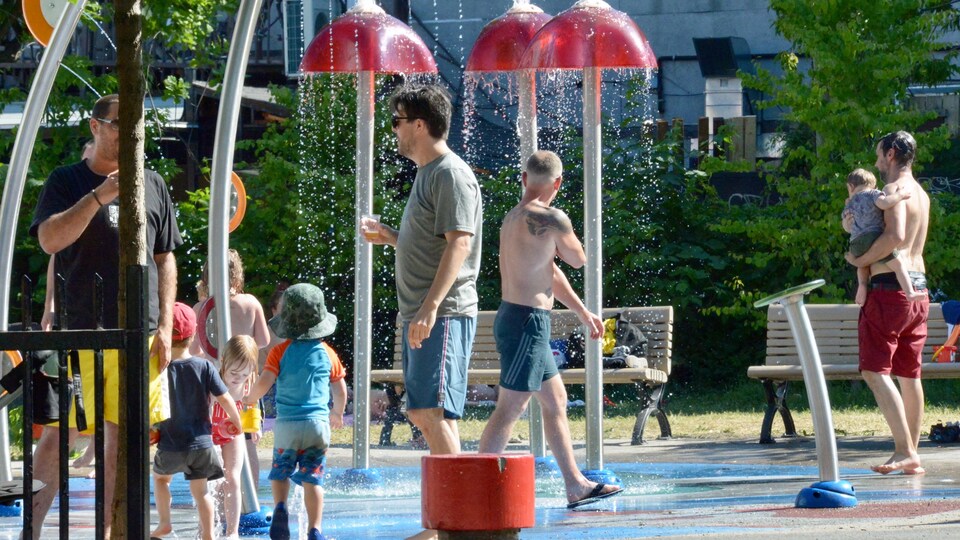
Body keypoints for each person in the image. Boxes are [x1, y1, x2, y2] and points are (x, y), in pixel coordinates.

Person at [26, 94, 182, 538]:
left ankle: (113, 534)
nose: (132, 133)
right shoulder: (66, 179)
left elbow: (165, 257)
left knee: (123, 436)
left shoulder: (153, 182)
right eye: (120, 124)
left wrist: (167, 325)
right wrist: (99, 196)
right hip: (82, 330)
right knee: (60, 434)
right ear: (95, 127)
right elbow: (50, 242)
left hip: (142, 330)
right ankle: (30, 531)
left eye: (138, 125)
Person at [476, 150, 623, 508]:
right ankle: (475, 489)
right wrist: (564, 236)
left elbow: (550, 273)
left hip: (522, 319)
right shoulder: (552, 218)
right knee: (511, 407)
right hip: (526, 322)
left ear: (525, 179)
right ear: (557, 183)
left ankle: (575, 485)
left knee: (555, 401)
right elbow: (577, 259)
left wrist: (583, 311)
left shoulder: (511, 219)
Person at [361, 83, 483, 455]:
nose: (393, 129)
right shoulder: (428, 172)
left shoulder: (449, 174)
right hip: (424, 313)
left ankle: (460, 506)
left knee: (427, 411)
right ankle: (457, 503)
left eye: (396, 121)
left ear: (418, 125)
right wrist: (392, 236)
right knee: (430, 414)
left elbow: (460, 244)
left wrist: (430, 308)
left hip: (442, 312)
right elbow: (433, 243)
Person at [845, 131, 931, 476]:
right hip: (918, 290)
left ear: (892, 153)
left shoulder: (894, 191)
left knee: (874, 371)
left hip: (889, 290)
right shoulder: (921, 193)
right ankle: (912, 453)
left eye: (880, 155)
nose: (878, 161)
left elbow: (894, 236)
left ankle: (904, 450)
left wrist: (858, 257)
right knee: (909, 374)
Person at [244, 283, 347, 540]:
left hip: (287, 426)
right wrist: (337, 412)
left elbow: (265, 382)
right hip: (318, 426)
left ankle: (280, 507)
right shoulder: (328, 352)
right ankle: (315, 529)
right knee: (314, 479)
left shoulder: (279, 351)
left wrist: (250, 399)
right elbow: (340, 389)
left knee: (280, 471)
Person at [151, 303, 242, 540]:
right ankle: (208, 535)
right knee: (202, 494)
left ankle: (164, 523)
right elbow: (225, 399)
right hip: (202, 445)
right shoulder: (204, 367)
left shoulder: (159, 368)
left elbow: (150, 403)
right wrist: (237, 423)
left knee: (161, 479)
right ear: (193, 336)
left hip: (170, 443)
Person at [842, 168, 922, 306]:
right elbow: (885, 203)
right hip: (873, 236)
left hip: (855, 242)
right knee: (898, 265)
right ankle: (909, 292)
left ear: (850, 186)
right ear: (874, 185)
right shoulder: (873, 193)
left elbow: (846, 226)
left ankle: (862, 286)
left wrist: (848, 225)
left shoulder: (849, 203)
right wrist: (900, 194)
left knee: (863, 263)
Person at [211, 335, 260, 540]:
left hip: (234, 432)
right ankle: (207, 526)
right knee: (212, 481)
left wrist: (254, 425)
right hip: (211, 430)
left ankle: (232, 532)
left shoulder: (249, 380)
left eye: (244, 373)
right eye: (233, 373)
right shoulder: (213, 377)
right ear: (223, 362)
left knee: (232, 477)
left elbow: (251, 403)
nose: (238, 378)